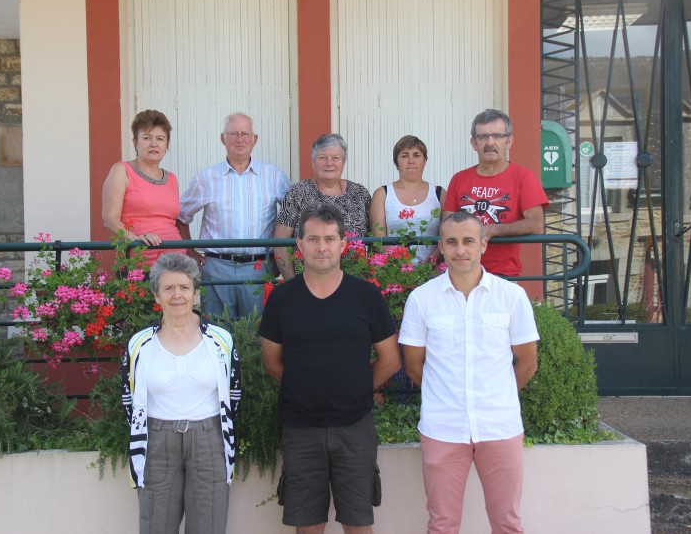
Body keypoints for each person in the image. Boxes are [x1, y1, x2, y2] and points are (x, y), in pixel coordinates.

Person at [259, 203, 401, 533]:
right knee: (307, 526)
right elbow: (271, 361)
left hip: (354, 427)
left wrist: (356, 389)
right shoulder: (282, 299)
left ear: (343, 243)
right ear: (299, 245)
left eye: (329, 238)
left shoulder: (366, 296)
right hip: (300, 428)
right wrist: (305, 386)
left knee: (358, 525)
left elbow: (390, 359)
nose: (321, 246)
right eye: (312, 239)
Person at [399, 212, 539, 534]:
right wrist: (447, 396)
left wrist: (497, 394)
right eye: (452, 242)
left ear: (483, 245)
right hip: (443, 428)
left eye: (468, 241)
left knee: (507, 523)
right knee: (442, 524)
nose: (460, 249)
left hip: (499, 426)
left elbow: (527, 363)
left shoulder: (511, 297)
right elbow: (413, 367)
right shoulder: (421, 300)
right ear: (441, 247)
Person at [122, 252, 241, 534]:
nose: (178, 295)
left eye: (185, 287)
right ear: (156, 296)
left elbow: (234, 394)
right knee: (156, 525)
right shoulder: (139, 344)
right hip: (157, 439)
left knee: (209, 525)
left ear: (195, 294)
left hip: (209, 437)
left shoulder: (220, 340)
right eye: (169, 288)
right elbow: (128, 398)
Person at [177, 112, 290, 319]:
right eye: (234, 134)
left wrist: (280, 256)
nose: (240, 139)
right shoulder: (206, 178)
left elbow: (293, 216)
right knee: (218, 331)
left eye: (245, 134)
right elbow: (181, 217)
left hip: (260, 267)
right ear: (223, 139)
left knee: (259, 333)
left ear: (254, 140)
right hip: (217, 268)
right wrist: (190, 251)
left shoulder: (274, 176)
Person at [441, 109, 549, 277]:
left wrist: (492, 229)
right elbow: (447, 224)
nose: (490, 142)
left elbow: (536, 224)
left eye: (497, 136)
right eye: (483, 137)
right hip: (461, 274)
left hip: (503, 275)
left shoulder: (524, 177)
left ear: (509, 141)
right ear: (474, 143)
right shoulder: (459, 179)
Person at [273, 134, 371, 281]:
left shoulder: (360, 193)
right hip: (308, 284)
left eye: (335, 158)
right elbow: (280, 243)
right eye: (322, 158)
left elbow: (375, 239)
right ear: (313, 162)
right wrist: (292, 283)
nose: (329, 163)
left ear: (343, 162)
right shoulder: (297, 193)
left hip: (355, 282)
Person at [102, 109, 182, 265]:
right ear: (135, 142)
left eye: (160, 138)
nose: (154, 144)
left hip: (176, 261)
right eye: (147, 138)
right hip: (140, 262)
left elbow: (174, 221)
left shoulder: (172, 178)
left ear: (166, 145)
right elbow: (109, 218)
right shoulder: (122, 170)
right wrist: (134, 238)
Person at [369, 135, 445, 264]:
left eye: (416, 155)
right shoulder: (382, 194)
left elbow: (446, 237)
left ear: (425, 160)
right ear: (396, 162)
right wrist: (399, 266)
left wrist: (427, 265)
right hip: (393, 272)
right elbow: (378, 241)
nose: (411, 161)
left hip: (432, 273)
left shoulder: (439, 194)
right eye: (404, 156)